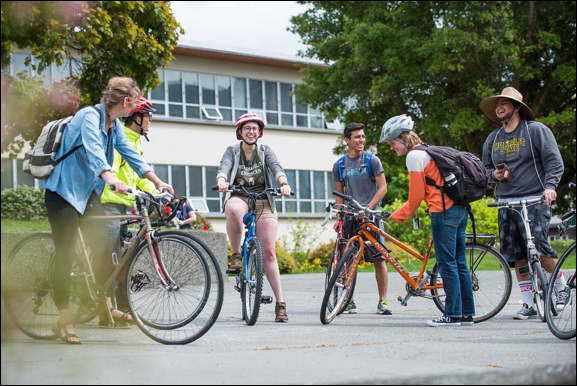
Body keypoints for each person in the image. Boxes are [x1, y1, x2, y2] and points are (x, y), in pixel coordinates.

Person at [44, 77, 173, 344]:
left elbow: (129, 152)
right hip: (63, 192)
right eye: (134, 104)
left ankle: (100, 302)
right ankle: (65, 321)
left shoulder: (113, 125)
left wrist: (156, 180)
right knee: (65, 254)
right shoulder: (89, 117)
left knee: (105, 245)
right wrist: (110, 178)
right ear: (125, 102)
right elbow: (93, 150)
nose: (134, 111)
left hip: (88, 195)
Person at [480, 87, 567, 320]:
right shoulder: (493, 139)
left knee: (538, 243)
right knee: (516, 252)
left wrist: (550, 187)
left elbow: (554, 162)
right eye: (497, 104)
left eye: (505, 103)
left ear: (516, 107)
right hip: (507, 202)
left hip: (535, 197)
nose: (500, 107)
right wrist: (493, 177)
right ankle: (528, 304)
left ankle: (561, 284)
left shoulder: (535, 131)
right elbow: (484, 170)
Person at [382, 114, 475, 327]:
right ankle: (466, 313)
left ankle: (452, 315)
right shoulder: (428, 151)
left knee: (447, 263)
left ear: (403, 138)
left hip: (443, 213)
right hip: (459, 211)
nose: (391, 147)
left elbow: (415, 198)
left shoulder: (414, 157)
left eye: (392, 143)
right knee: (459, 262)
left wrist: (398, 215)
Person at [216, 113, 292, 323]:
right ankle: (237, 254)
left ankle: (280, 304)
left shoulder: (265, 150)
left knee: (268, 253)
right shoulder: (232, 150)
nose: (251, 131)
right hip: (240, 196)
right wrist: (222, 180)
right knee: (233, 208)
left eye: (255, 128)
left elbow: (277, 168)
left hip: (263, 199)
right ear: (240, 132)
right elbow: (224, 167)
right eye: (247, 128)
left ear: (260, 132)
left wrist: (283, 183)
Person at [100, 96, 159, 319]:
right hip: (109, 201)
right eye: (148, 116)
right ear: (136, 117)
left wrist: (158, 190)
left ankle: (116, 307)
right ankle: (105, 310)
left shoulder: (135, 141)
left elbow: (138, 177)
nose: (150, 120)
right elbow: (110, 169)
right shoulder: (120, 137)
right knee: (108, 254)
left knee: (121, 256)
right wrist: (116, 183)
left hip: (123, 205)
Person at [332, 122, 390, 315]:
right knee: (346, 259)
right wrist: (339, 216)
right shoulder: (339, 165)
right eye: (357, 137)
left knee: (379, 259)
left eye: (363, 136)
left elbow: (383, 188)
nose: (361, 140)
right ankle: (349, 301)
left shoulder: (372, 160)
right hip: (350, 216)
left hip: (370, 216)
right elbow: (339, 195)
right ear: (347, 140)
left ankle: (383, 301)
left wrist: (368, 208)